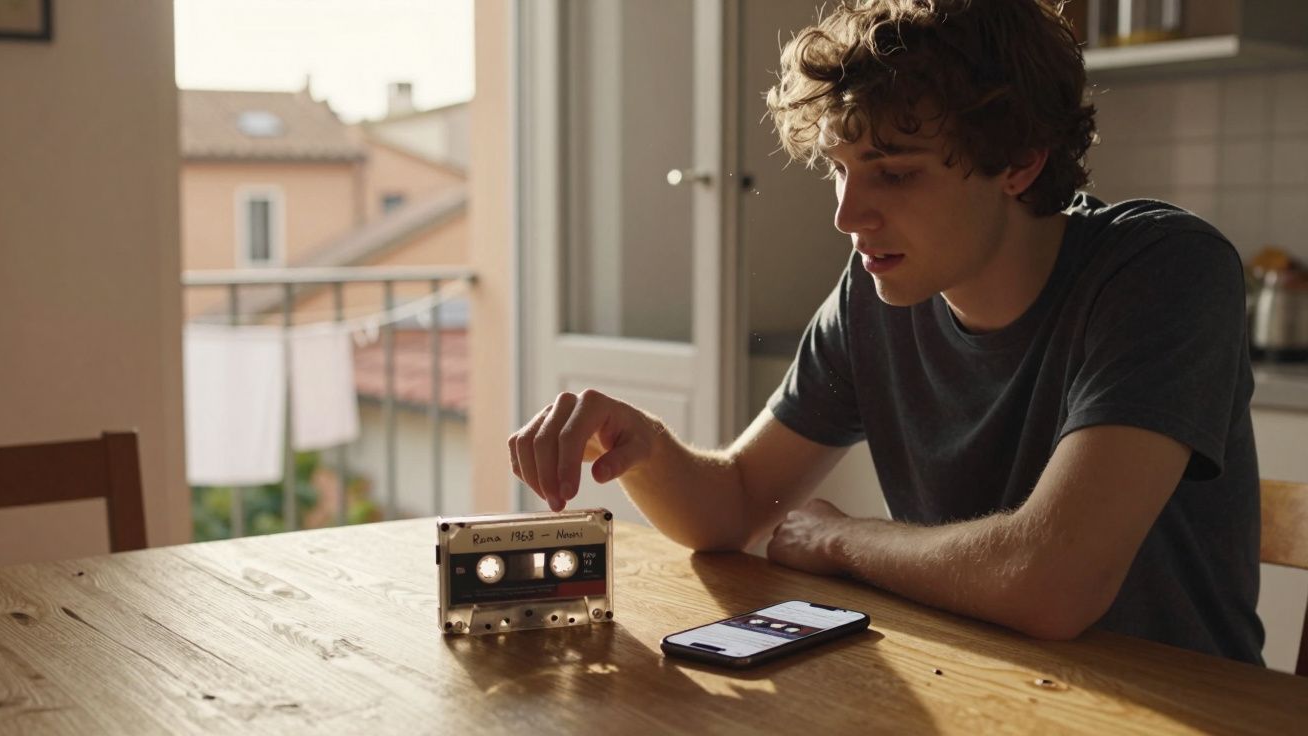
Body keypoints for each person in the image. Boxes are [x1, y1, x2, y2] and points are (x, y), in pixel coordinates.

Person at [507, 0, 1264, 665]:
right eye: (838, 169)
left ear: (1021, 161)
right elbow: (737, 502)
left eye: (893, 173)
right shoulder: (874, 298)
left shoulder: (1165, 271)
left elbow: (1051, 583)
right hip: (987, 690)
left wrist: (842, 541)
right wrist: (640, 443)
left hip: (1181, 710)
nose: (847, 216)